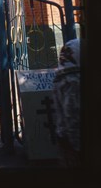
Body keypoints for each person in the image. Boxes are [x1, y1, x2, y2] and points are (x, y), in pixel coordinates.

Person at [52, 38, 81, 167]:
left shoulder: (72, 45)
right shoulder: (75, 81)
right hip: (76, 142)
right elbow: (73, 115)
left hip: (63, 136)